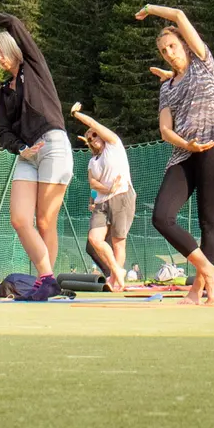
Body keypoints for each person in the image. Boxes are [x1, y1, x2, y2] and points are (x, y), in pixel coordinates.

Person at [0, 11, 70, 301]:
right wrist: (21, 148)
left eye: (2, 52)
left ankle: (46, 281)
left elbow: (13, 23)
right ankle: (47, 279)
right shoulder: (4, 91)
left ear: (13, 49)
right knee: (20, 219)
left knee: (44, 221)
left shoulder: (34, 67)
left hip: (53, 144)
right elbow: (3, 131)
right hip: (27, 153)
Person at [138, 3, 214, 304]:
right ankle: (210, 270)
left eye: (172, 46)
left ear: (185, 45)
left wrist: (150, 9)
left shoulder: (203, 62)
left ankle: (198, 292)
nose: (168, 53)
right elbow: (165, 130)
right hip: (184, 154)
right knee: (162, 217)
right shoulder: (167, 87)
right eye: (163, 50)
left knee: (209, 222)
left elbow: (178, 15)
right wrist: (186, 144)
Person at [72, 103, 135, 292]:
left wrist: (76, 114)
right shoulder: (93, 161)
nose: (92, 138)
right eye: (89, 138)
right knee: (94, 238)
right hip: (101, 202)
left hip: (121, 195)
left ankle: (115, 281)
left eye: (94, 135)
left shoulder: (114, 145)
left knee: (118, 242)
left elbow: (94, 124)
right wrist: (104, 191)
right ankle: (117, 271)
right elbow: (93, 183)